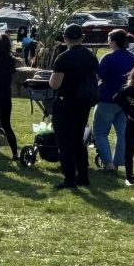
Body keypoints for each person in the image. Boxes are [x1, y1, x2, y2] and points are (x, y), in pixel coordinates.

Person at [48, 23, 99, 190]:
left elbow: (55, 84)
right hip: (84, 102)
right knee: (78, 140)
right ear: (82, 38)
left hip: (66, 102)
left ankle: (69, 178)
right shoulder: (91, 57)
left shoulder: (63, 58)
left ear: (65, 38)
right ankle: (83, 175)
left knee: (64, 142)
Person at [92, 29, 134, 173]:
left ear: (113, 41)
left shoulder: (108, 58)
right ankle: (119, 162)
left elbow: (98, 77)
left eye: (108, 39)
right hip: (126, 100)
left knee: (100, 132)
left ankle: (108, 163)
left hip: (107, 99)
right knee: (122, 133)